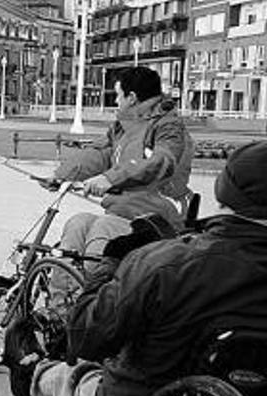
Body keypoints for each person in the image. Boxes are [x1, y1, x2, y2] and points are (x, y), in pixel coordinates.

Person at [4, 140, 267, 396]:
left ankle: (33, 370)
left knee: (74, 379)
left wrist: (111, 265)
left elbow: (86, 337)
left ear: (224, 193)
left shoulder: (166, 263)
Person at [44, 66, 193, 276]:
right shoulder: (122, 128)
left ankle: (90, 299)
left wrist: (110, 179)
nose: (116, 101)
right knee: (78, 224)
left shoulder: (169, 127)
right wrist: (60, 176)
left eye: (118, 95)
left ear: (131, 97)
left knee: (104, 229)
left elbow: (162, 161)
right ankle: (60, 304)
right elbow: (100, 155)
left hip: (157, 219)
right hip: (122, 215)